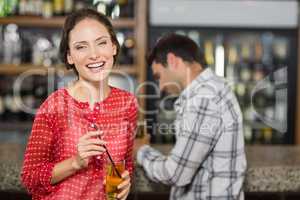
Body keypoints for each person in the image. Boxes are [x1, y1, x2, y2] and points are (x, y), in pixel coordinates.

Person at [21, 8, 137, 200]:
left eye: (101, 43)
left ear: (114, 47)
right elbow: (30, 178)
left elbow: (126, 164)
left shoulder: (127, 103)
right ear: (69, 56)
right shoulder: (54, 106)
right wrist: (75, 162)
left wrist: (125, 182)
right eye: (81, 47)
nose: (94, 54)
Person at [134, 34, 247, 200]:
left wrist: (140, 151)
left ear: (172, 60)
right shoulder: (212, 88)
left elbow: (176, 174)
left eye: (159, 76)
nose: (161, 86)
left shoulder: (203, 98)